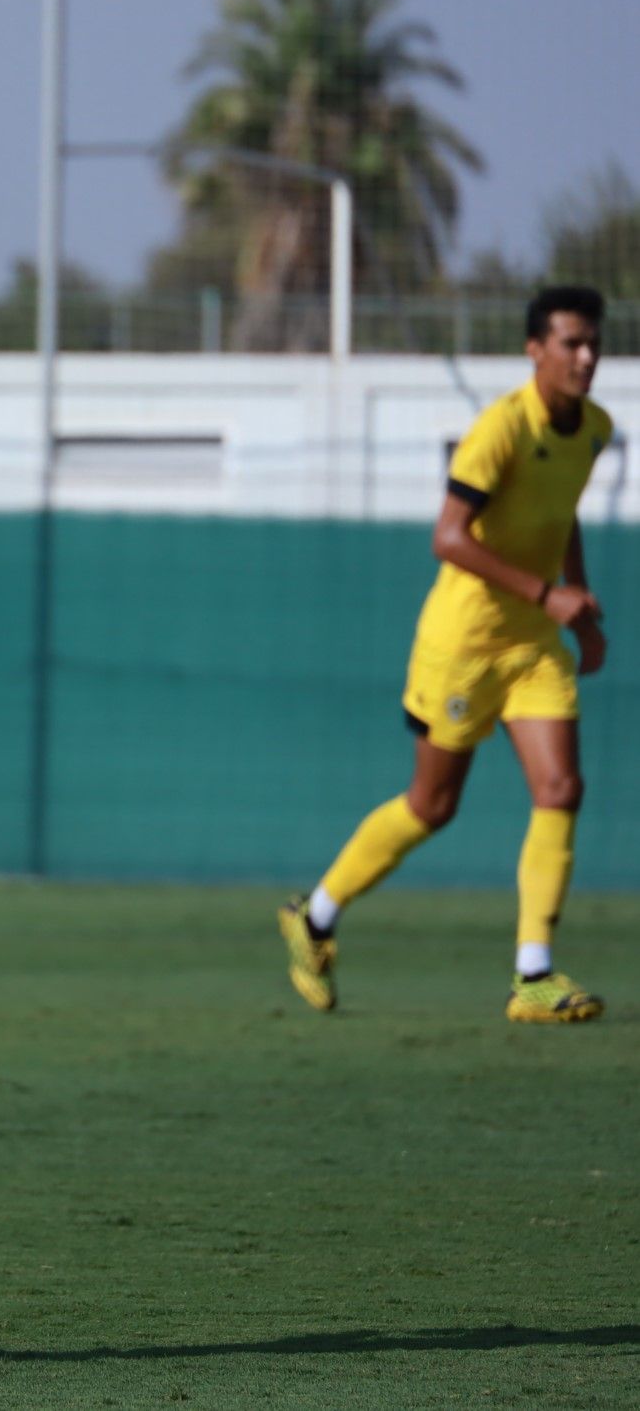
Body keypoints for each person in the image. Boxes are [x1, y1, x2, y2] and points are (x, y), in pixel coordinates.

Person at [279, 286, 613, 1023]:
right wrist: (544, 591)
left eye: (595, 342)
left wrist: (579, 604)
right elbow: (449, 537)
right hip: (462, 646)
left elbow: (563, 517)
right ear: (535, 349)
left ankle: (533, 976)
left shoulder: (594, 430)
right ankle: (316, 915)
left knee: (561, 789)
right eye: (570, 343)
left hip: (532, 644)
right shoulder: (499, 429)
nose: (586, 356)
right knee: (432, 805)